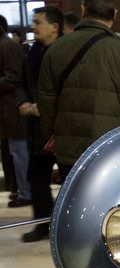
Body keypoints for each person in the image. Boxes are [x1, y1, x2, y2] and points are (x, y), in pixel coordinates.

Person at [38, 0, 120, 183]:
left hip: (68, 148)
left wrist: (56, 137)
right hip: (111, 151)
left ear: (83, 11)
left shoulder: (55, 49)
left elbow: (46, 101)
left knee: (73, 204)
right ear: (115, 14)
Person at [15, 6, 62, 241]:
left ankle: (67, 229)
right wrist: (23, 101)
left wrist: (41, 108)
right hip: (38, 129)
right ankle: (43, 224)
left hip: (63, 129)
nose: (32, 26)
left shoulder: (66, 50)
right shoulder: (33, 51)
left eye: (37, 22)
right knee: (37, 177)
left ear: (54, 26)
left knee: (71, 181)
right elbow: (21, 81)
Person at [0, 14, 31, 208]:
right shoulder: (4, 44)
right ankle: (22, 189)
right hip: (8, 107)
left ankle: (26, 192)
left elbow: (13, 77)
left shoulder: (7, 46)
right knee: (15, 151)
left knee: (19, 152)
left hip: (13, 107)